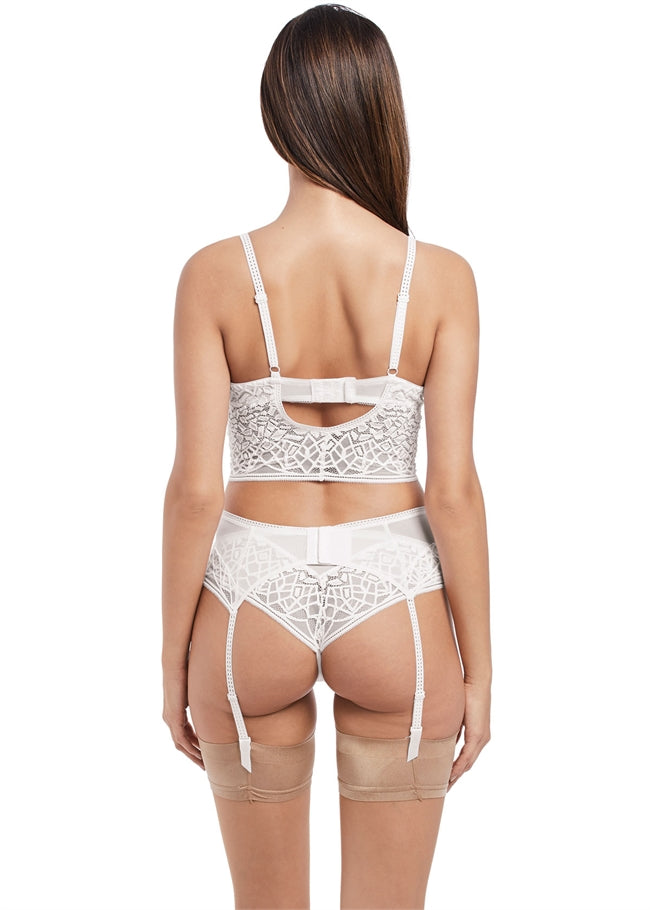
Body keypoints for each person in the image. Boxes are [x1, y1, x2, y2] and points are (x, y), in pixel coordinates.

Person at [161, 4, 491, 909]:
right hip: (397, 605)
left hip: (246, 605)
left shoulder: (213, 274)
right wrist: (482, 671)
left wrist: (172, 660)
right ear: (381, 111)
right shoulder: (442, 278)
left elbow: (195, 492)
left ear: (276, 114)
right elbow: (454, 493)